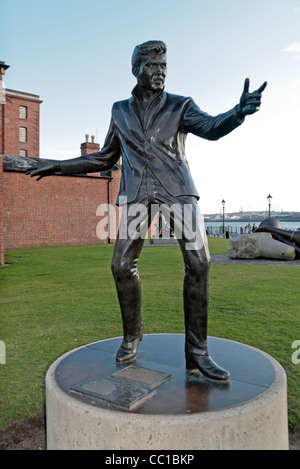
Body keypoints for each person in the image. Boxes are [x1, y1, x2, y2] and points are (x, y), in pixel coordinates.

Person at [27, 41, 267, 382]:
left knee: (199, 263)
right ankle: (131, 337)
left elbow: (212, 127)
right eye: (154, 66)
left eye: (165, 66)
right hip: (138, 195)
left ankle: (197, 352)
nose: (161, 72)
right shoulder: (119, 110)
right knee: (122, 265)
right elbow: (103, 158)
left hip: (177, 191)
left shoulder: (180, 105)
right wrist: (56, 167)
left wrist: (238, 112)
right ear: (136, 68)